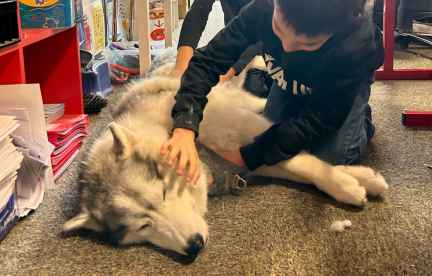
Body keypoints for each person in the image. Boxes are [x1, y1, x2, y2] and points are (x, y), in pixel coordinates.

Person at [161, 0, 385, 185]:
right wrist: (184, 126)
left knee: (332, 156)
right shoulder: (264, 7)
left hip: (338, 84)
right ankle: (304, 89)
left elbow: (321, 119)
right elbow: (207, 61)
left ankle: (360, 120)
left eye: (306, 44)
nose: (286, 47)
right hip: (289, 79)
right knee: (269, 133)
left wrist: (244, 158)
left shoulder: (355, 45)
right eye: (278, 29)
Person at [170, 0, 261, 83]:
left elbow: (263, 27)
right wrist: (182, 63)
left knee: (254, 87)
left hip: (267, 42)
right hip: (235, 37)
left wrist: (225, 75)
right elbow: (199, 11)